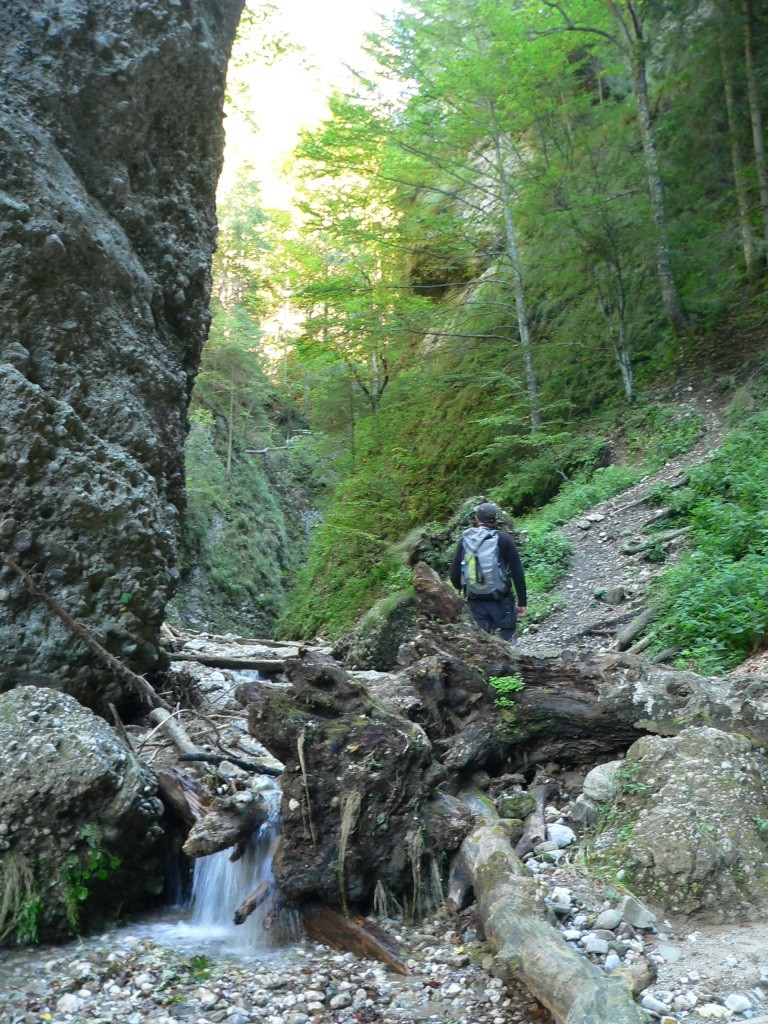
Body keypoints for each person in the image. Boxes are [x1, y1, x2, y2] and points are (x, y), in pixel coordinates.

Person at [449, 501, 527, 644]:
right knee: (509, 641)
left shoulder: (465, 540)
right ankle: (513, 662)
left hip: (475, 601)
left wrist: (464, 587)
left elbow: (454, 575)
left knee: (481, 645)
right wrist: (522, 602)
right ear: (495, 520)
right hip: (501, 601)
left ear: (477, 519)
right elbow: (517, 572)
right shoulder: (504, 539)